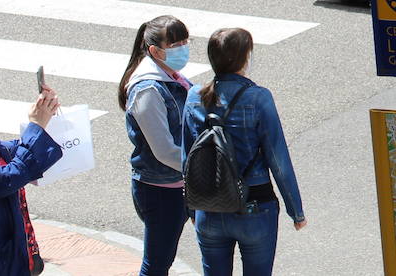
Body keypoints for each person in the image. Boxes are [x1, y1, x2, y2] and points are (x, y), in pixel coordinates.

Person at [182, 28, 305, 276]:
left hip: (209, 206)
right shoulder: (258, 98)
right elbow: (277, 159)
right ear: (244, 58)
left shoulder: (195, 96)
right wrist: (296, 211)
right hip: (255, 206)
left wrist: (191, 209)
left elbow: (187, 159)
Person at [119, 15, 193, 276]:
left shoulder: (170, 75)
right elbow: (163, 150)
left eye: (185, 41)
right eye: (175, 45)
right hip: (162, 191)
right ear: (154, 50)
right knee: (157, 265)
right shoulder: (148, 89)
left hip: (179, 185)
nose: (183, 48)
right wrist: (201, 167)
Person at [0, 87, 63, 276]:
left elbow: (21, 151)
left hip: (8, 254)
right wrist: (36, 127)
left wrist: (45, 114)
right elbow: (10, 176)